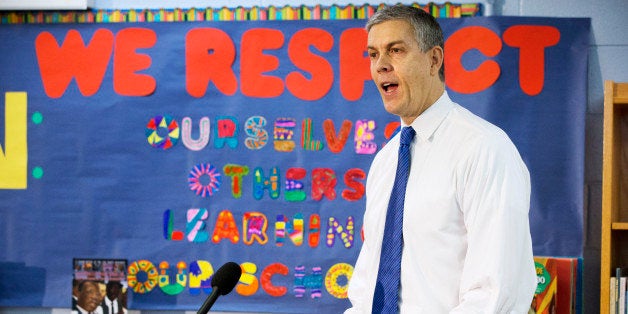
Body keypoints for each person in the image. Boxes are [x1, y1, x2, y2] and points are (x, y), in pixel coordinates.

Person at [345, 5, 536, 313]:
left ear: (434, 60)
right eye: (373, 54)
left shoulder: (484, 149)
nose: (381, 65)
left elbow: (494, 295)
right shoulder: (385, 161)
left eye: (395, 50)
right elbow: (368, 289)